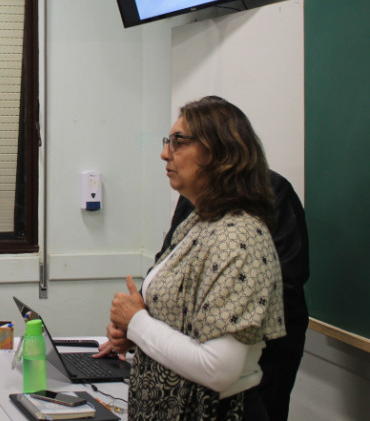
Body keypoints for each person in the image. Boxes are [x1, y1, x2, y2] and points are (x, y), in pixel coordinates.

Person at [107, 96, 286, 420]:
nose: (165, 153)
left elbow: (218, 369)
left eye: (178, 142)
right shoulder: (199, 223)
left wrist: (138, 323)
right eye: (167, 141)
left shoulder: (240, 238)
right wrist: (134, 335)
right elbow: (184, 324)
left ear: (221, 154)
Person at [156, 171, 309, 421]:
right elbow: (166, 264)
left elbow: (286, 284)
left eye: (180, 142)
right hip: (196, 361)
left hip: (258, 363)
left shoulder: (270, 195)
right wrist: (135, 316)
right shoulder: (193, 199)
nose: (167, 154)